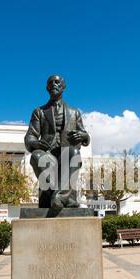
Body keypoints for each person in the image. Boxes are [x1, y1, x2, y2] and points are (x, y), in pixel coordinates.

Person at [25, 75, 90, 209]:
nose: (54, 84)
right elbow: (30, 137)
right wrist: (35, 144)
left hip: (66, 154)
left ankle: (58, 197)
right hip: (48, 153)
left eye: (57, 82)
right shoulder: (39, 112)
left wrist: (82, 136)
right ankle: (64, 197)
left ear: (63, 87)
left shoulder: (74, 112)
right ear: (47, 88)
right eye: (51, 83)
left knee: (74, 152)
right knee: (36, 156)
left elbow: (84, 134)